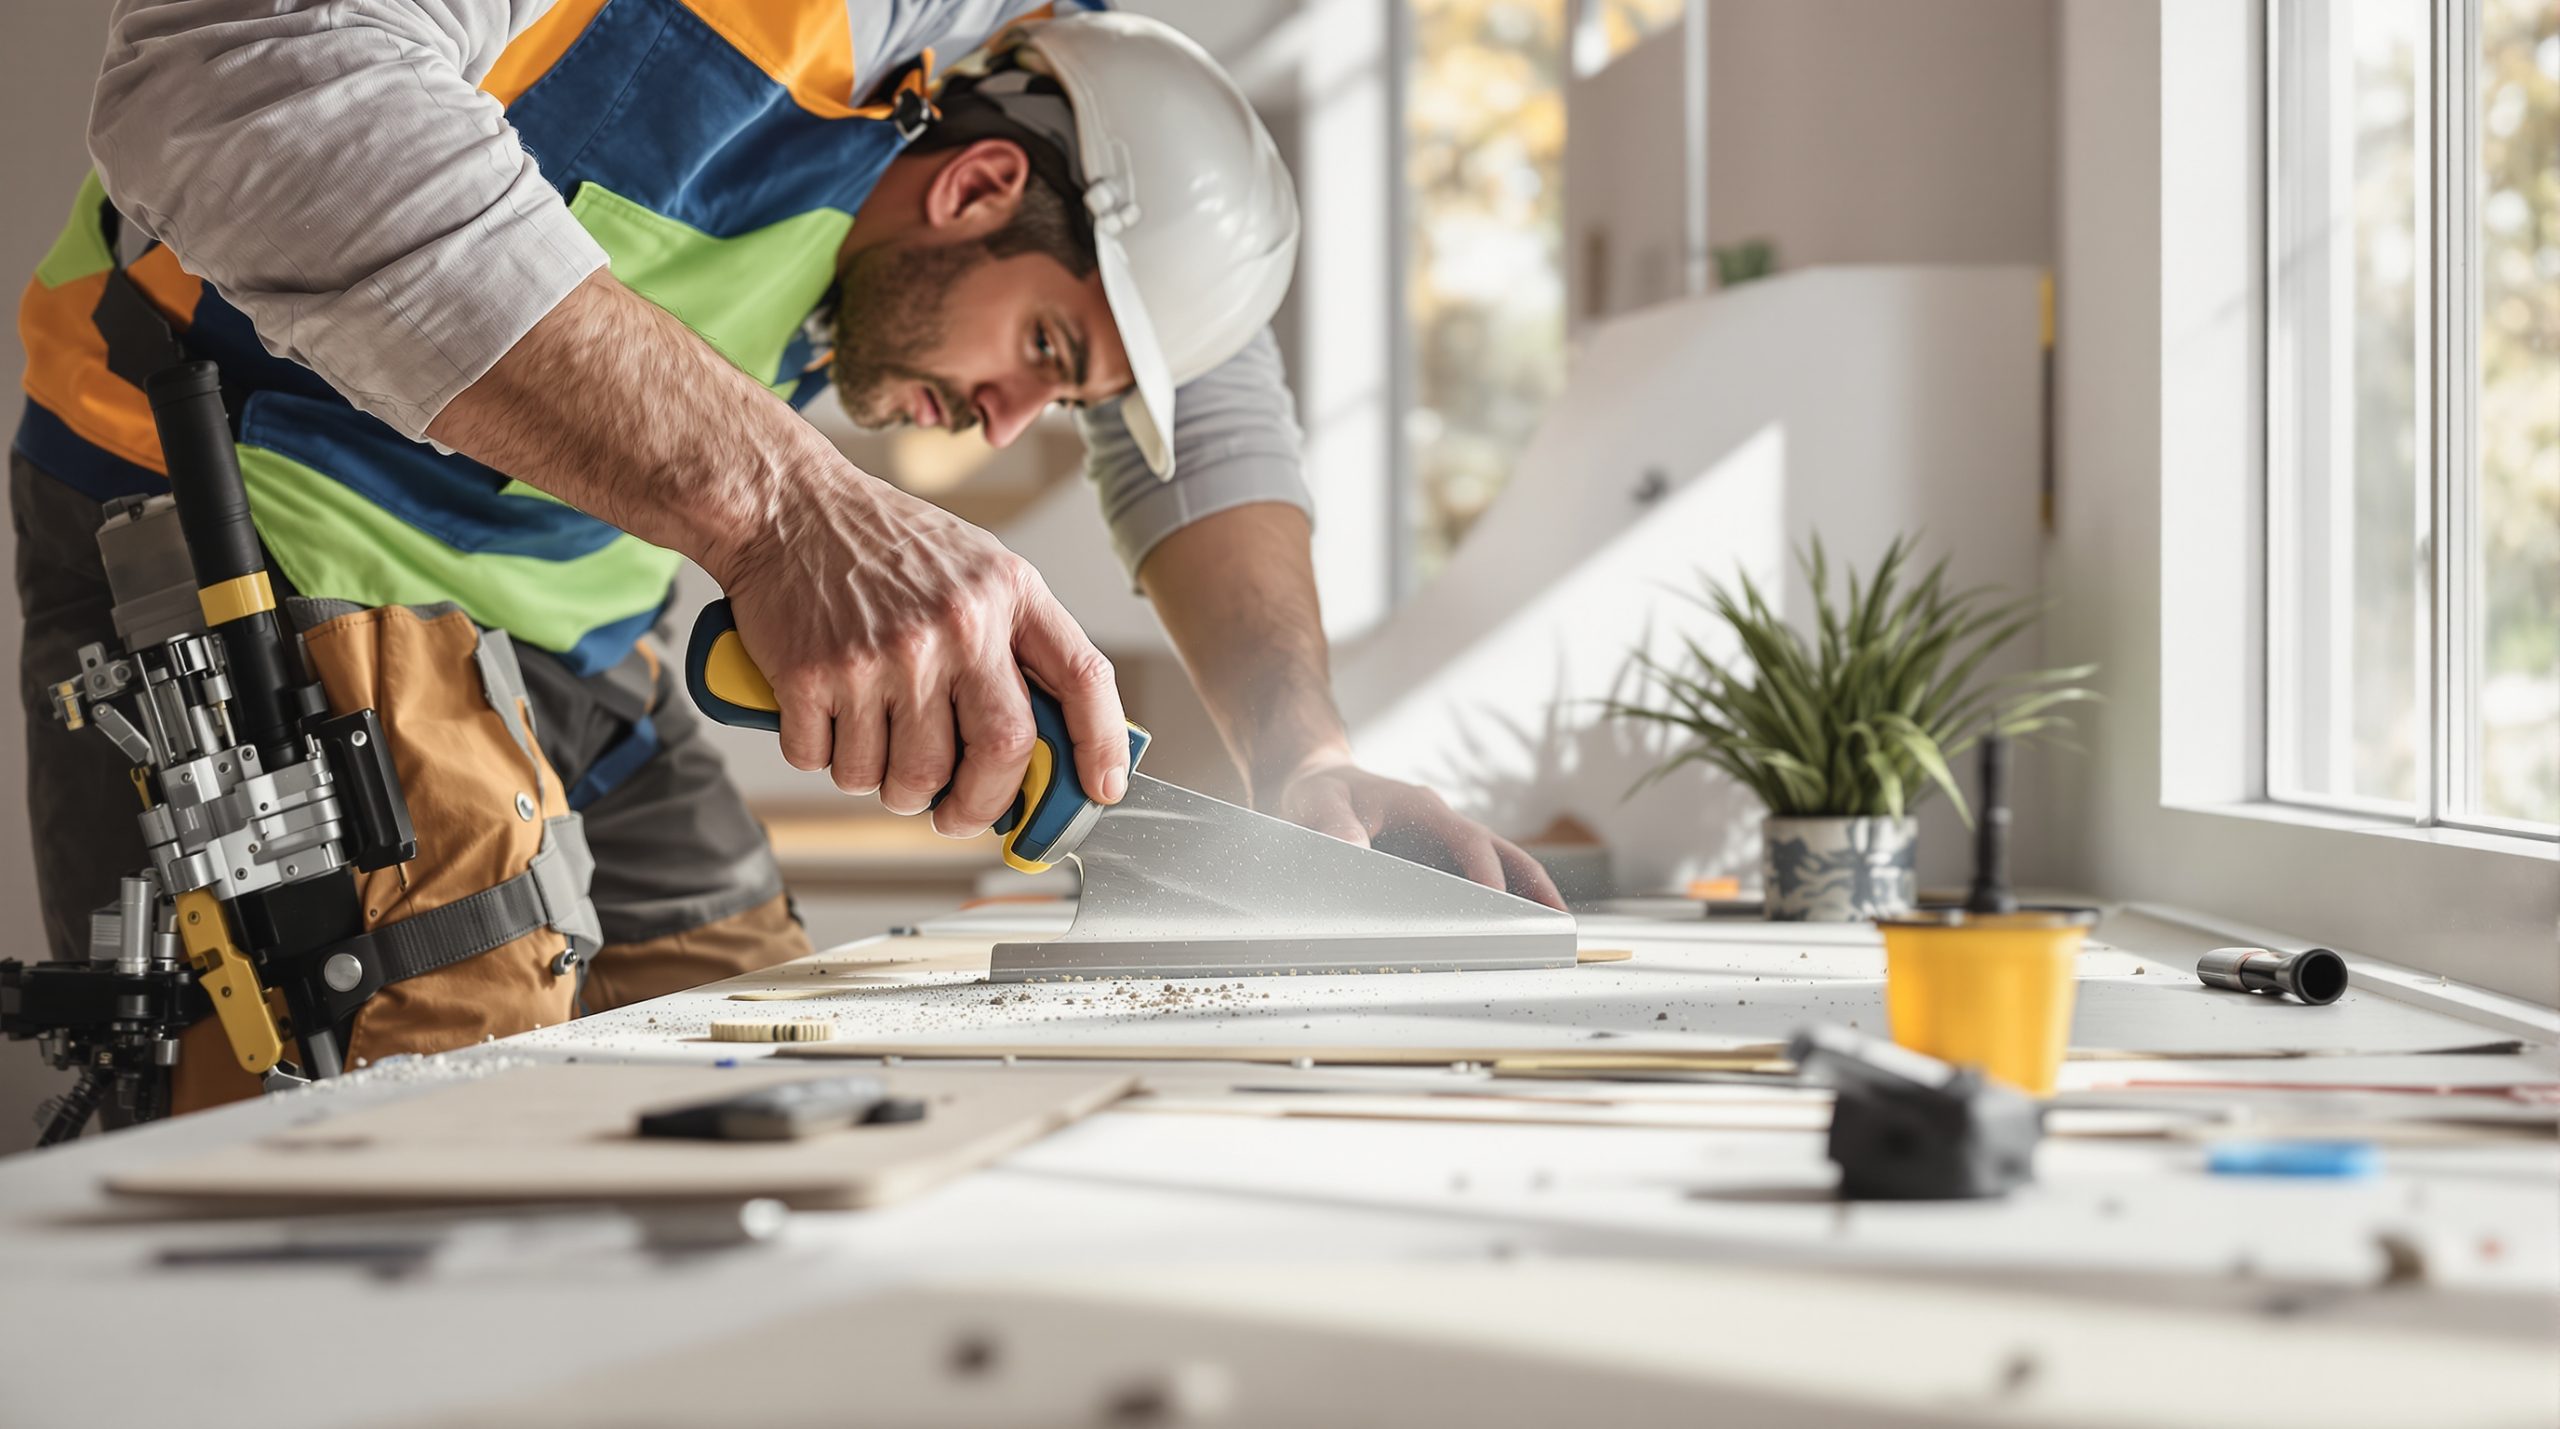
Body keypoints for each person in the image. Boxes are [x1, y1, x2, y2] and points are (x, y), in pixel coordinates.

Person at [13, 1, 1564, 1093]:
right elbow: (240, 73)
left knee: (758, 1065)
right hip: (259, 523)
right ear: (976, 188)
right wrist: (797, 506)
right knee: (432, 1077)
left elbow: (1203, 381)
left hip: (577, 609)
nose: (1005, 421)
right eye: (1036, 349)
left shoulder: (1042, 58)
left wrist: (1304, 754)